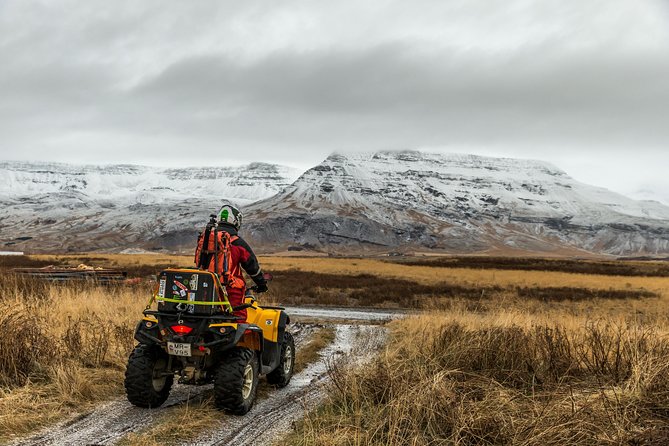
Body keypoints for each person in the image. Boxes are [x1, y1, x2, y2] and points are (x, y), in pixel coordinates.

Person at [194, 204, 268, 319]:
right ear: (236, 221)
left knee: (204, 316)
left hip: (204, 286)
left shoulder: (207, 239)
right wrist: (261, 283)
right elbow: (252, 266)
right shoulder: (238, 243)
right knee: (238, 320)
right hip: (230, 288)